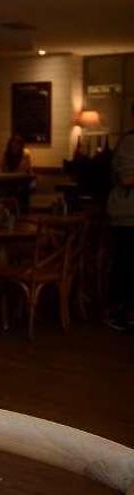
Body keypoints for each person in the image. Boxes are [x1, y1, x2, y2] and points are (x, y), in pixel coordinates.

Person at [106, 104, 134, 332]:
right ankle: (120, 313)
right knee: (125, 265)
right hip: (127, 214)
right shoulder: (129, 143)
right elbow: (126, 178)